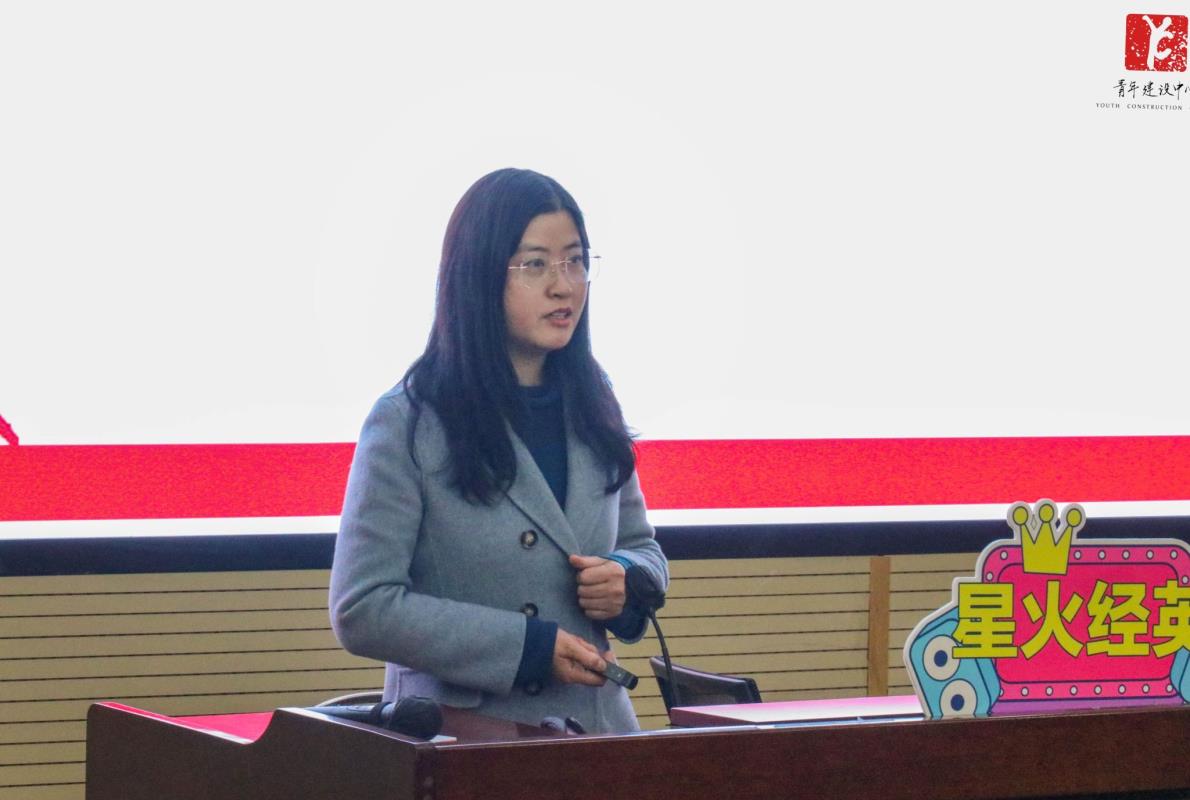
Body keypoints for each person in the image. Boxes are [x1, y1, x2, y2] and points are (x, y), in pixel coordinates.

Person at [329, 168, 669, 734]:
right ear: (480, 276)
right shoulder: (409, 420)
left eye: (576, 261)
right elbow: (362, 607)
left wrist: (626, 578)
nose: (564, 286)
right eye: (536, 264)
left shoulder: (593, 397)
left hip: (598, 737)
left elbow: (641, 547)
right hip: (464, 740)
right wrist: (526, 647)